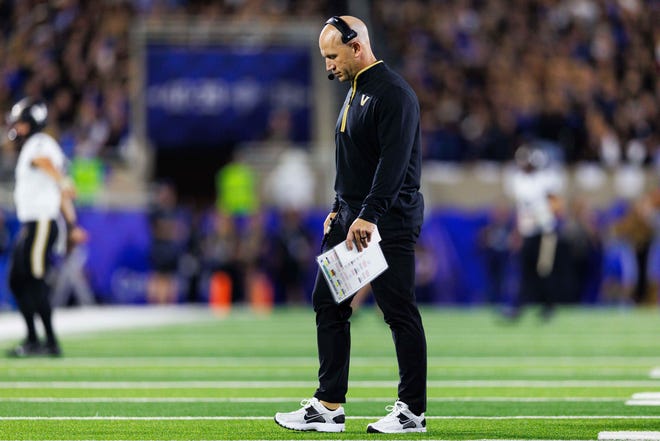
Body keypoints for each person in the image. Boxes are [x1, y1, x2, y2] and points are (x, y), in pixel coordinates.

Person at [274, 15, 427, 434]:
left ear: (356, 46)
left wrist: (369, 215)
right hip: (355, 218)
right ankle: (329, 405)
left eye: (332, 56)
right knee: (329, 302)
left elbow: (393, 166)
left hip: (385, 223)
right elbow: (356, 162)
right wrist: (339, 207)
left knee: (398, 312)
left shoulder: (393, 94)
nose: (328, 66)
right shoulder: (357, 89)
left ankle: (412, 411)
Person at [6, 97, 87, 357]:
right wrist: (72, 224)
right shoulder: (35, 145)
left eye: (20, 122)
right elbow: (58, 189)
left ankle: (50, 342)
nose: (16, 127)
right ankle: (32, 338)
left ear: (31, 123)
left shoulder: (39, 144)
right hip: (33, 223)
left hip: (41, 222)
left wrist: (62, 180)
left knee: (35, 279)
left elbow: (45, 163)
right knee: (16, 280)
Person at [504, 145, 566, 320]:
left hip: (546, 231)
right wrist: (517, 231)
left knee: (544, 269)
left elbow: (557, 205)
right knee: (525, 270)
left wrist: (544, 214)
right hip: (528, 232)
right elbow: (519, 209)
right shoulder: (518, 180)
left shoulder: (546, 179)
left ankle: (549, 307)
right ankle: (519, 307)